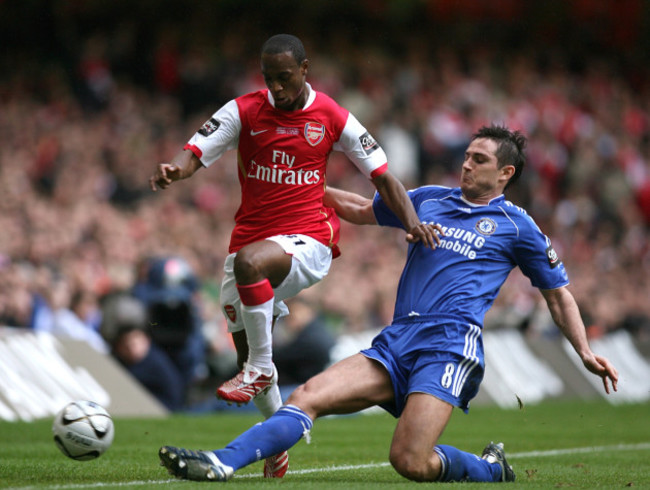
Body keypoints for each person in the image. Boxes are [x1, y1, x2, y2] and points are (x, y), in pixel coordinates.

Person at [157, 124, 619, 483]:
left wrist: (582, 351)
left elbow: (558, 295)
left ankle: (491, 470)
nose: (466, 166)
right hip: (397, 341)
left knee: (410, 461)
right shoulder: (428, 199)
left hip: (449, 346)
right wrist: (298, 187)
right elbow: (360, 208)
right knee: (307, 396)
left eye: (479, 160)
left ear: (505, 174)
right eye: (466, 156)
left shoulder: (518, 227)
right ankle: (221, 463)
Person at [149, 34, 437, 478]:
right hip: (251, 236)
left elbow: (383, 177)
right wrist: (175, 171)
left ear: (305, 69)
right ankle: (275, 441)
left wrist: (412, 223)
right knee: (243, 325)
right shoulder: (243, 110)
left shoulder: (333, 117)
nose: (277, 88)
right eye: (269, 79)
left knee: (251, 274)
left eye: (285, 78)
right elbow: (194, 153)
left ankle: (261, 369)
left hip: (310, 239)